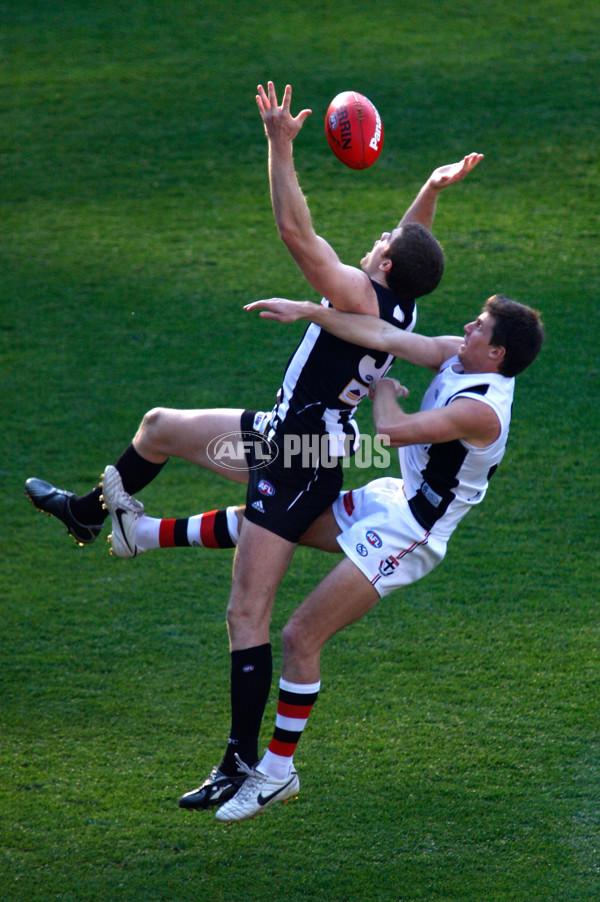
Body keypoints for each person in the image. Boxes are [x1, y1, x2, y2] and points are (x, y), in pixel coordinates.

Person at [25, 78, 483, 809]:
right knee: (159, 428)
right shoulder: (396, 293)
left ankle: (239, 761)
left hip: (301, 459)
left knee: (247, 611)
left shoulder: (361, 294)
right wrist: (430, 189)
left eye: (382, 242)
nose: (374, 239)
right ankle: (92, 516)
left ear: (386, 266)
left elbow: (297, 236)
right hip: (283, 435)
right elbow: (409, 246)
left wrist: (279, 146)